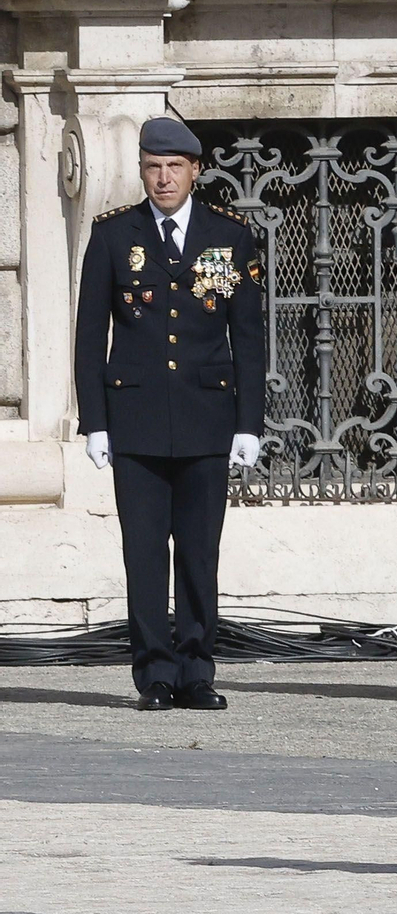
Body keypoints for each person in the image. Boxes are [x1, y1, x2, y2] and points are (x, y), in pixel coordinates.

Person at [73, 117, 266, 712]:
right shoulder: (112, 236)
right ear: (141, 171)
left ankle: (197, 670)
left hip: (208, 417)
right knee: (145, 551)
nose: (164, 178)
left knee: (200, 551)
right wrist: (96, 420)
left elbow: (249, 337)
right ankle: (154, 673)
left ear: (196, 171)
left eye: (175, 167)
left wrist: (249, 423)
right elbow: (89, 337)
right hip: (136, 420)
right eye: (154, 167)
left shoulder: (228, 235)